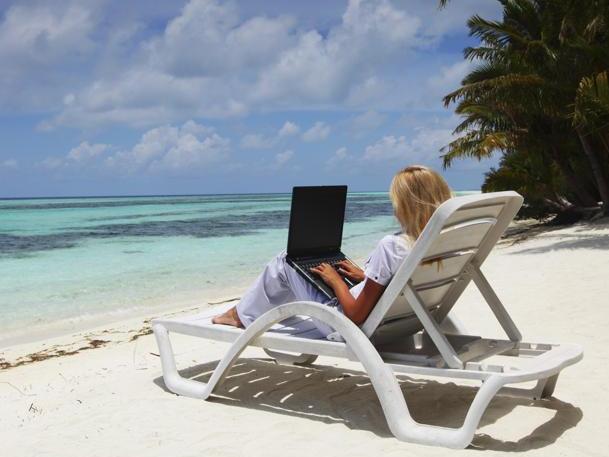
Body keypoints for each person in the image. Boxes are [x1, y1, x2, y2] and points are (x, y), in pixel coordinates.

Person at [212, 165, 452, 336]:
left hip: (345, 325)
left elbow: (356, 315)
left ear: (405, 206)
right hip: (402, 321)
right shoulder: (438, 242)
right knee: (306, 269)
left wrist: (336, 280)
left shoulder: (392, 246)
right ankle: (249, 311)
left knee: (287, 260)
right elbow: (400, 282)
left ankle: (239, 315)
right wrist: (364, 277)